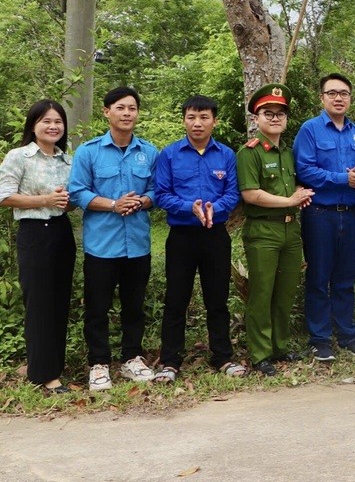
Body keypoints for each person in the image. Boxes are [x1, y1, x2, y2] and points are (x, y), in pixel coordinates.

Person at [68, 86, 159, 392]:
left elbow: (157, 190)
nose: (126, 113)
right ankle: (98, 364)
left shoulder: (149, 151)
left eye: (132, 108)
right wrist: (112, 204)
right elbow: (78, 191)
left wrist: (142, 202)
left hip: (137, 243)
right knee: (97, 308)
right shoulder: (89, 151)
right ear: (107, 112)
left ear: (137, 113)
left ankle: (132, 358)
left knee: (134, 306)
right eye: (120, 108)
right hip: (101, 246)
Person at [151, 95, 243, 382]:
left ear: (214, 121)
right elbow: (161, 194)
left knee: (217, 299)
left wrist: (216, 208)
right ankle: (170, 361)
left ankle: (223, 357)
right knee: (176, 299)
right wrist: (188, 207)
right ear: (184, 120)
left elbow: (233, 192)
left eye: (204, 117)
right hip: (181, 236)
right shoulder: (169, 154)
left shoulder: (226, 155)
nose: (197, 123)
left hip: (215, 235)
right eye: (191, 117)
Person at [294, 73, 355, 361]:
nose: (338, 98)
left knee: (346, 277)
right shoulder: (310, 130)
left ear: (350, 98)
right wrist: (342, 179)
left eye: (344, 93)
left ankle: (349, 336)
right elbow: (304, 170)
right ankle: (320, 339)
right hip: (320, 214)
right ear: (322, 98)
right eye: (332, 93)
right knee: (318, 277)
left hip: (351, 215)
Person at [238, 84, 313, 377]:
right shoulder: (250, 152)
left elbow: (291, 183)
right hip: (263, 231)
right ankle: (260, 353)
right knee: (262, 292)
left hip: (290, 230)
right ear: (256, 117)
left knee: (285, 292)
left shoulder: (288, 151)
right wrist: (291, 200)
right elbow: (251, 193)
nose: (275, 118)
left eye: (280, 114)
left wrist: (299, 192)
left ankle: (280, 346)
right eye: (268, 113)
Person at [0, 100, 74, 394]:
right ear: (33, 125)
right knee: (40, 302)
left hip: (61, 232)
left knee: (59, 300)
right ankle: (44, 375)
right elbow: (5, 197)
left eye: (58, 121)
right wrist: (46, 199)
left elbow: (67, 204)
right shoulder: (19, 156)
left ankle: (52, 365)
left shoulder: (66, 160)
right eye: (46, 121)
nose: (53, 126)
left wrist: (65, 202)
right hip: (34, 233)